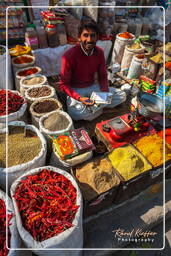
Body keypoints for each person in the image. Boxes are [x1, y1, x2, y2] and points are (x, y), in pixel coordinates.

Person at [59, 19, 126, 120]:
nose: (89, 40)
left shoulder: (99, 52)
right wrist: (79, 98)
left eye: (93, 35)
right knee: (76, 113)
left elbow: (103, 76)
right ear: (79, 37)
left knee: (121, 95)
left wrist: (104, 92)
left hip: (93, 87)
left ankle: (94, 110)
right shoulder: (69, 56)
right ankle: (99, 109)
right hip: (77, 91)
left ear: (97, 37)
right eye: (85, 35)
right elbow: (63, 85)